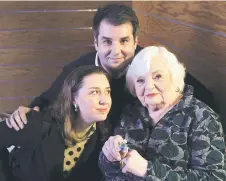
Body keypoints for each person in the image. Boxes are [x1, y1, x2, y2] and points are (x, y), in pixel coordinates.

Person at [7, 3, 217, 139]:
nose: (116, 51)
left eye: (124, 41)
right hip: (96, 145)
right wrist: (30, 109)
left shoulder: (152, 61)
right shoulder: (78, 69)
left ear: (136, 41)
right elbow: (47, 99)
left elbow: (200, 95)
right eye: (107, 41)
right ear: (96, 43)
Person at [99, 46, 226, 181]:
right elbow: (109, 172)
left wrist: (147, 170)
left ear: (174, 78)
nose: (148, 86)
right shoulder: (131, 112)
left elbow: (214, 178)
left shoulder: (202, 117)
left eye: (158, 76)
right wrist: (108, 155)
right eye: (140, 80)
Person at [0, 65, 112, 181]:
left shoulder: (102, 136)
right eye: (94, 92)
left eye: (107, 92)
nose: (104, 100)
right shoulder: (40, 123)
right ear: (73, 98)